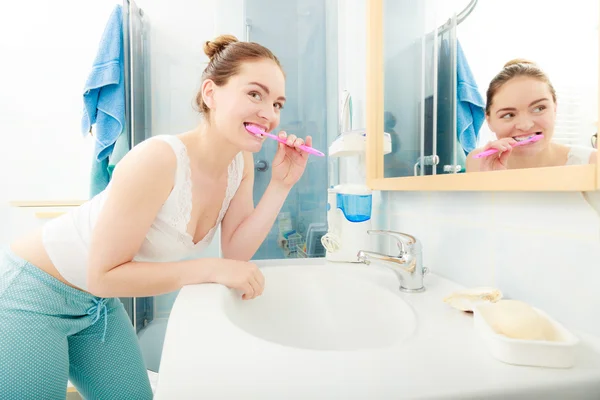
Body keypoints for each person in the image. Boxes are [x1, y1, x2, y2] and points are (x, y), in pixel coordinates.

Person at [0, 34, 313, 399]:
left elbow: (236, 253)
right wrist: (207, 270)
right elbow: (103, 275)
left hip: (94, 303)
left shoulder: (239, 163)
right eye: (255, 94)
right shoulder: (158, 159)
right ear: (210, 93)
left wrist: (280, 185)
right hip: (32, 292)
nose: (269, 114)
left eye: (277, 103)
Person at [466, 59, 597, 172]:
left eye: (539, 108)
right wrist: (492, 183)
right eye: (508, 115)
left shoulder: (592, 162)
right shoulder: (478, 161)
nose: (525, 125)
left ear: (555, 108)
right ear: (489, 121)